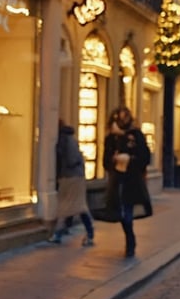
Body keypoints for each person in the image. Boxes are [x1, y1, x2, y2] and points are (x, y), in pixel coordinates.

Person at [103, 107, 152, 258]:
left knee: (127, 212)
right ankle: (130, 238)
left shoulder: (136, 135)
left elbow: (145, 157)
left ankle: (130, 242)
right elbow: (105, 161)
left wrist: (130, 160)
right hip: (116, 181)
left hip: (131, 181)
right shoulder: (111, 138)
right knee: (120, 213)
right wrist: (113, 160)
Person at [49, 120, 95, 246]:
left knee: (69, 205)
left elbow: (71, 159)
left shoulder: (64, 139)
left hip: (70, 177)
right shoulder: (68, 138)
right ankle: (87, 232)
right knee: (77, 206)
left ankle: (59, 233)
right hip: (74, 176)